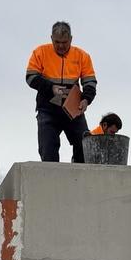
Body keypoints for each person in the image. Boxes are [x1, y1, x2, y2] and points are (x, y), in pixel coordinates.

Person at [25, 21, 97, 163]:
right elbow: (30, 77)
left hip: (73, 109)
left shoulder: (82, 56)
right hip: (48, 109)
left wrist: (86, 99)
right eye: (57, 42)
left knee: (84, 146)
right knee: (48, 150)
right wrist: (51, 87)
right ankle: (52, 181)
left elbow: (90, 82)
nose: (61, 46)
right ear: (51, 38)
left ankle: (78, 174)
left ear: (71, 39)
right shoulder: (40, 52)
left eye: (64, 42)